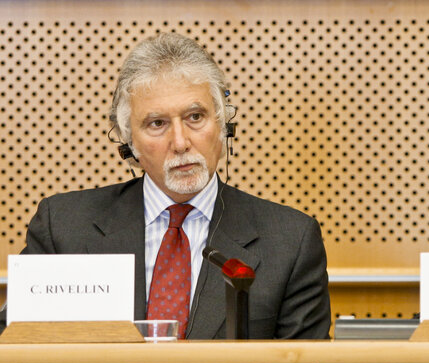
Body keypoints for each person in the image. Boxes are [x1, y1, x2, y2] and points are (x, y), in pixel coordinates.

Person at [0, 32, 331, 339]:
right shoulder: (64, 227)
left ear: (223, 126)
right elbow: (15, 349)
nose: (180, 141)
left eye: (195, 117)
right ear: (129, 143)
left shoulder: (291, 241)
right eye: (157, 123)